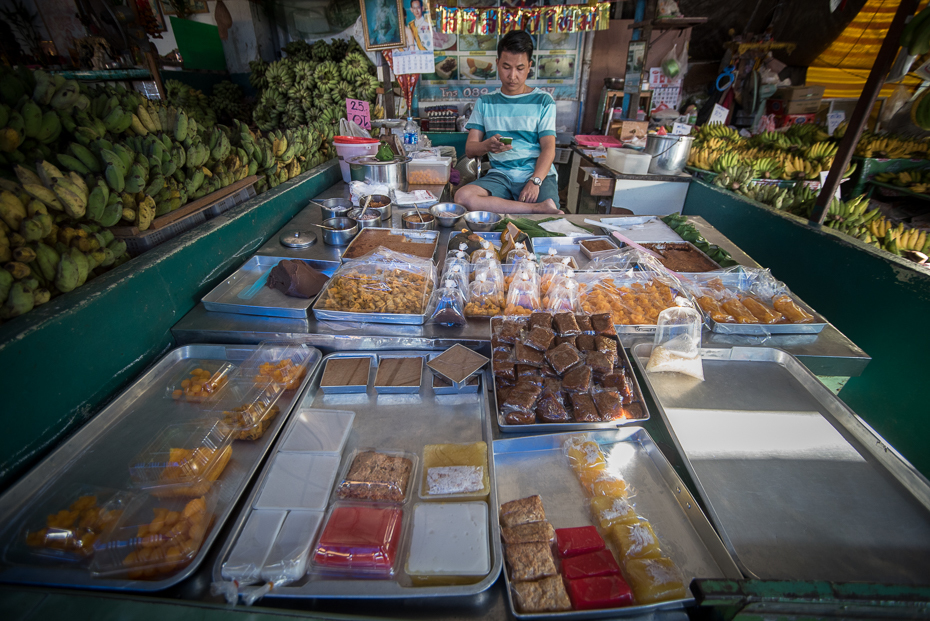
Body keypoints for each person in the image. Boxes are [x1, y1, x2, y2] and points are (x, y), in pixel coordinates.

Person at [455, 30, 562, 214]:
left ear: (529, 66)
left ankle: (531, 207)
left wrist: (535, 181)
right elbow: (470, 149)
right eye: (506, 67)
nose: (513, 76)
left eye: (520, 68)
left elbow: (549, 148)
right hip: (501, 176)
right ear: (497, 64)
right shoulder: (485, 102)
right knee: (462, 197)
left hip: (537, 175)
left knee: (552, 224)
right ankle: (534, 209)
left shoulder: (543, 101)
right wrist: (487, 145)